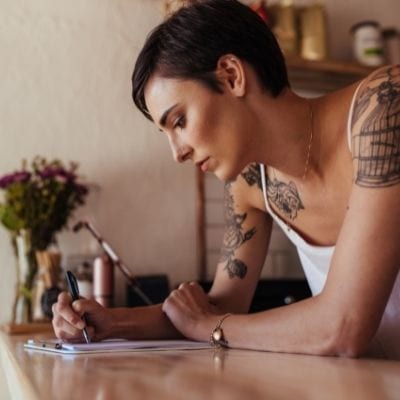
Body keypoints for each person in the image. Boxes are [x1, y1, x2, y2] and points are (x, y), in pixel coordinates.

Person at [52, 0, 400, 359]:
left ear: (232, 75)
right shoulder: (252, 182)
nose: (178, 153)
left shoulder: (384, 108)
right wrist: (110, 323)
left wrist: (210, 327)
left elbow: (344, 327)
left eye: (180, 121)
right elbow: (218, 305)